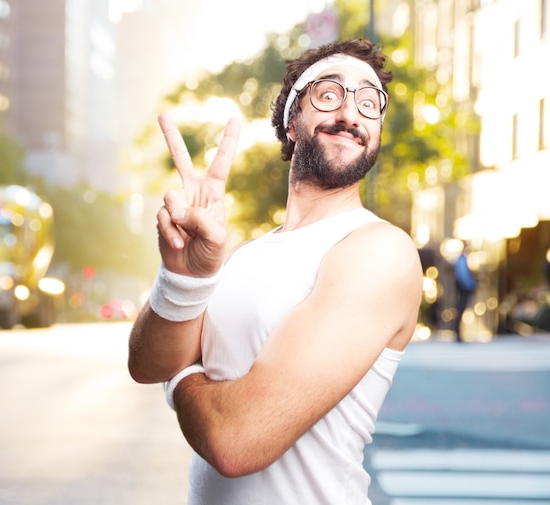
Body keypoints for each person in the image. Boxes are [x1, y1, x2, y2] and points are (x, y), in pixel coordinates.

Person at [128, 38, 423, 505]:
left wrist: (183, 370)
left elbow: (236, 441)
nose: (351, 113)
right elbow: (145, 365)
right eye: (329, 94)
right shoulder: (247, 255)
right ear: (291, 119)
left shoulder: (379, 251)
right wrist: (183, 276)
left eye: (370, 103)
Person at [453, 246, 477, 342]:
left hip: (464, 287)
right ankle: (457, 332)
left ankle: (458, 332)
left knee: (461, 310)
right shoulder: (462, 260)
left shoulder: (462, 260)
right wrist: (471, 285)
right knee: (460, 310)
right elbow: (463, 276)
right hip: (464, 288)